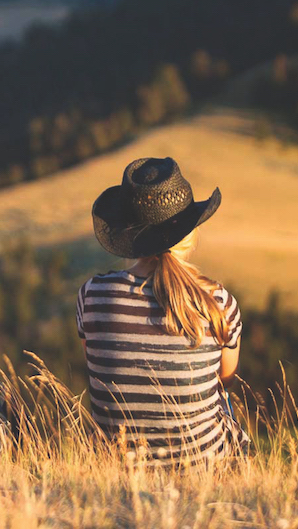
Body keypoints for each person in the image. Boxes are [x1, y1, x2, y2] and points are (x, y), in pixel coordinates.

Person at [77, 157, 244, 467]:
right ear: (191, 233)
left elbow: (96, 366)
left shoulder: (92, 295)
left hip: (113, 466)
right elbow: (225, 379)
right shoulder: (219, 302)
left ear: (128, 235)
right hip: (201, 468)